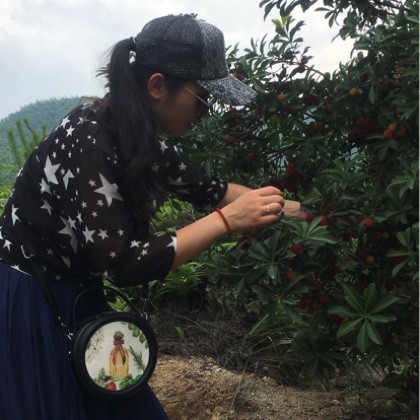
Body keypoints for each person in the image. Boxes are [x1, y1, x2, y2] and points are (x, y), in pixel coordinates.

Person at [0, 14, 302, 420]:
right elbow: (122, 263)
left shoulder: (135, 138)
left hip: (76, 297)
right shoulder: (92, 142)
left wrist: (303, 214)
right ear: (158, 86)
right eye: (203, 99)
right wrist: (226, 222)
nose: (206, 112)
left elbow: (210, 188)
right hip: (32, 301)